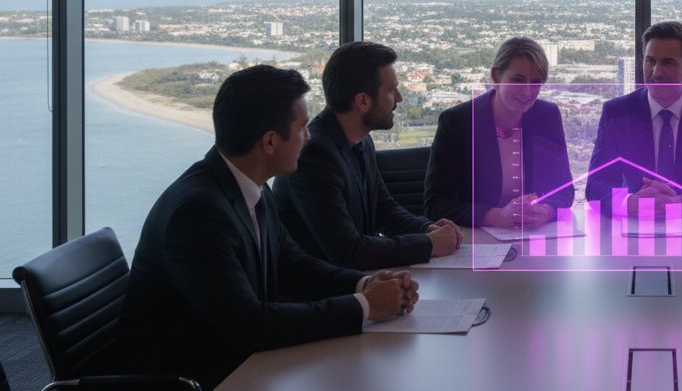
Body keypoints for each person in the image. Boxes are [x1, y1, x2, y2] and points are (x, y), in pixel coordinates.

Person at [119, 65, 417, 389]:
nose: (309, 136)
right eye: (302, 127)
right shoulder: (198, 214)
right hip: (195, 379)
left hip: (244, 367)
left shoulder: (248, 186)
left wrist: (365, 284)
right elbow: (251, 325)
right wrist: (367, 306)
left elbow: (294, 265)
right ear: (270, 142)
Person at [274, 41, 461, 269]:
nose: (399, 98)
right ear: (363, 101)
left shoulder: (361, 139)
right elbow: (348, 251)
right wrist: (428, 244)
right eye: (392, 90)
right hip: (324, 293)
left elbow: (383, 209)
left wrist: (426, 229)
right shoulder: (314, 156)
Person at [585, 21, 682, 217]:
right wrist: (629, 202)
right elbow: (595, 185)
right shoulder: (618, 113)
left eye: (667, 63)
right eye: (650, 61)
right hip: (634, 231)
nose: (656, 72)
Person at [425, 37, 576, 227]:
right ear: (496, 77)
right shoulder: (458, 122)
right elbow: (435, 204)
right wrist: (495, 216)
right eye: (518, 80)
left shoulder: (547, 116)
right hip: (479, 241)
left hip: (533, 235)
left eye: (536, 82)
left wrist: (546, 211)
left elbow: (564, 190)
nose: (528, 92)